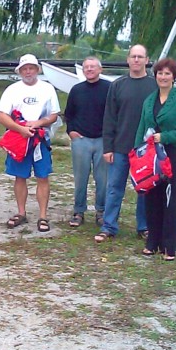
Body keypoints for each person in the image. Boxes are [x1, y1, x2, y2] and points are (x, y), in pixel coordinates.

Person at [135, 58, 176, 261]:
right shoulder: (149, 100)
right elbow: (142, 126)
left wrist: (167, 136)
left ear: (174, 77)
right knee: (152, 198)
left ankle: (170, 246)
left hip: (171, 154)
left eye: (167, 73)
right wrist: (136, 153)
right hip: (151, 156)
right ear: (155, 76)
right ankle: (153, 242)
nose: (163, 77)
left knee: (170, 199)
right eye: (160, 73)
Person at [96, 44, 157, 243]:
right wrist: (108, 147)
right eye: (133, 56)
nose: (137, 60)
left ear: (147, 60)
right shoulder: (118, 85)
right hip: (120, 147)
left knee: (145, 188)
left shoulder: (155, 85)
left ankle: (144, 226)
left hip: (145, 148)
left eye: (141, 57)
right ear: (128, 60)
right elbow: (109, 118)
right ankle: (109, 226)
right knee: (114, 188)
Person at [0, 54, 60, 232]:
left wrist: (38, 123)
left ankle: (42, 215)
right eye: (25, 68)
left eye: (31, 68)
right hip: (19, 139)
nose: (28, 71)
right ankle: (21, 212)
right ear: (20, 71)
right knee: (20, 176)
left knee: (43, 176)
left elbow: (54, 115)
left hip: (40, 139)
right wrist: (20, 129)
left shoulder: (47, 89)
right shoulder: (12, 90)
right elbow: (2, 115)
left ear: (37, 70)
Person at [64, 56, 110, 228]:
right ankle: (78, 211)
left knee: (103, 179)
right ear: (83, 71)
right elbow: (69, 113)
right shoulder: (76, 90)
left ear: (100, 69)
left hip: (102, 140)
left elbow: (115, 113)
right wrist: (71, 132)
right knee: (80, 178)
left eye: (93, 67)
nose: (89, 70)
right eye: (86, 67)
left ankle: (101, 211)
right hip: (81, 140)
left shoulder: (109, 88)